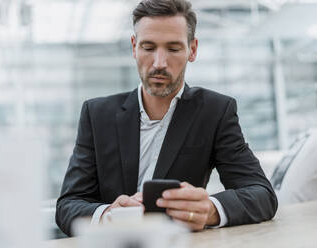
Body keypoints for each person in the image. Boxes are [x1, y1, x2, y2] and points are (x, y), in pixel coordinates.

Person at [56, 0, 278, 236]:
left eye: (173, 49)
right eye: (148, 47)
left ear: (192, 50)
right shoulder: (97, 114)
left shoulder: (215, 111)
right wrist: (107, 215)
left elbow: (261, 194)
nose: (159, 63)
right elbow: (68, 205)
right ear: (134, 47)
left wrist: (210, 209)